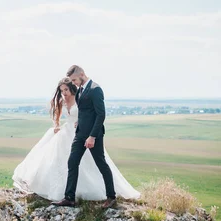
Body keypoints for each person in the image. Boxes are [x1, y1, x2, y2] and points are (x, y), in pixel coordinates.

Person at [12, 71, 140, 205]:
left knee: (101, 163)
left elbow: (100, 115)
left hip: (92, 135)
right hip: (78, 134)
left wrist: (92, 136)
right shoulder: (80, 91)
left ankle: (111, 196)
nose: (73, 83)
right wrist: (78, 122)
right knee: (72, 162)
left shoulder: (95, 89)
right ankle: (69, 198)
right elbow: (83, 113)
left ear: (81, 74)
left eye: (73, 81)